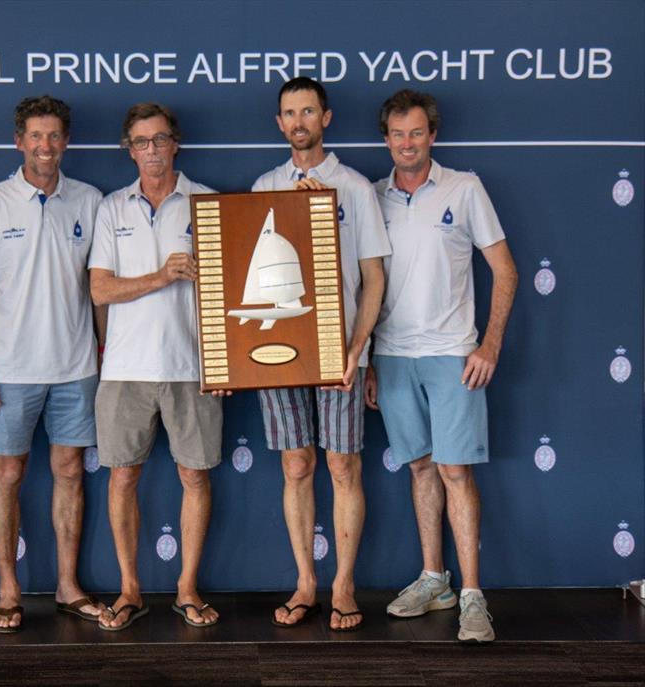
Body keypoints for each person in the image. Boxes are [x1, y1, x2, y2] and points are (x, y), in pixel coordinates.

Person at [366, 89, 518, 643]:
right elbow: (361, 282)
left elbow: (505, 271)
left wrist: (490, 346)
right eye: (397, 134)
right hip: (392, 354)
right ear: (386, 139)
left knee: (456, 471)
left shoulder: (465, 187)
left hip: (454, 353)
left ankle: (474, 597)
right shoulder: (369, 196)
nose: (407, 144)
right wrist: (369, 361)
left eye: (417, 133)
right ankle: (436, 579)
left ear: (433, 135)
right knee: (421, 469)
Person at [0, 96, 104, 633]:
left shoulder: (90, 201)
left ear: (66, 142)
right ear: (19, 141)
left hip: (77, 367)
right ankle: (8, 590)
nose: (45, 146)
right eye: (35, 137)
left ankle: (67, 586)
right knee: (8, 473)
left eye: (55, 136)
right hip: (9, 372)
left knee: (69, 473)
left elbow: (99, 290)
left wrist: (105, 356)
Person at [252, 77, 391, 631]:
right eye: (290, 113)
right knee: (296, 463)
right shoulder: (263, 187)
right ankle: (306, 581)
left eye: (308, 110)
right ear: (280, 123)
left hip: (340, 351)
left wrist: (359, 349)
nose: (299, 121)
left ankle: (344, 585)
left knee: (342, 463)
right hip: (277, 349)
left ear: (325, 118)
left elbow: (374, 277)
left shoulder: (355, 187)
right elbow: (250, 276)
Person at [90, 103, 223, 631]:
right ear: (129, 149)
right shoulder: (110, 208)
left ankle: (187, 587)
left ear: (175, 144)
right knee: (123, 477)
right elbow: (100, 288)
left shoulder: (207, 202)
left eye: (160, 140)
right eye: (141, 142)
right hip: (124, 367)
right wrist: (162, 276)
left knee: (195, 475)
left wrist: (224, 363)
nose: (151, 150)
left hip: (192, 365)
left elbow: (229, 294)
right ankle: (129, 590)